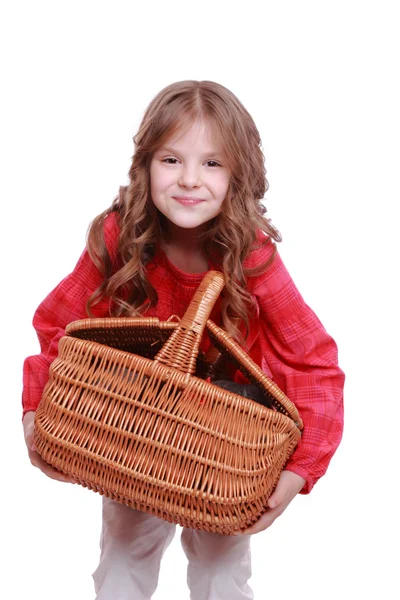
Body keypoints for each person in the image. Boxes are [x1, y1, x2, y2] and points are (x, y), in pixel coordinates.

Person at [22, 80, 345, 600]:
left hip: (223, 446)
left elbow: (313, 359)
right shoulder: (118, 235)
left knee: (220, 568)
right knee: (124, 556)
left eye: (213, 164)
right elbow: (60, 323)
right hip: (132, 429)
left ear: (240, 174)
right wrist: (36, 409)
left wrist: (300, 470)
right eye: (171, 160)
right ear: (145, 165)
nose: (190, 180)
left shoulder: (251, 256)